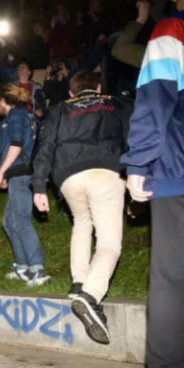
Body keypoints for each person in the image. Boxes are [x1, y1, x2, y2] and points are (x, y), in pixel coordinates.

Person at [32, 71, 132, 345]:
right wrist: (135, 188)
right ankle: (90, 295)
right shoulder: (117, 103)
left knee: (82, 223)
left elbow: (45, 144)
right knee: (110, 243)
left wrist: (39, 185)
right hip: (106, 170)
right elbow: (131, 140)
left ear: (72, 93)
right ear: (99, 87)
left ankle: (79, 283)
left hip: (68, 176)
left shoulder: (61, 108)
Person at [122, 0, 184, 368]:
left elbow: (155, 97)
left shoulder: (172, 31)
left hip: (179, 175)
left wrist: (139, 163)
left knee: (172, 277)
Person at [0, 84, 49, 287]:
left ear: (2, 100)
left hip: (22, 174)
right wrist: (8, 173)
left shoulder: (16, 116)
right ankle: (23, 266)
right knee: (9, 222)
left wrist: (0, 173)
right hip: (20, 172)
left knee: (22, 221)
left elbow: (17, 145)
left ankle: (37, 269)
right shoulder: (26, 115)